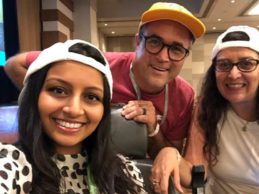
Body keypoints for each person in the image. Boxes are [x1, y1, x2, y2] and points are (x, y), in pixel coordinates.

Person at [4, 2, 206, 159]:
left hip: (144, 176)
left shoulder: (184, 95)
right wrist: (54, 103)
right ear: (138, 41)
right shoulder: (96, 67)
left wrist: (153, 129)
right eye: (154, 42)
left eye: (177, 49)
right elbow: (14, 64)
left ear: (185, 54)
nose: (163, 57)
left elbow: (171, 155)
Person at [151, 25, 259, 194]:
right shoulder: (207, 109)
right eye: (224, 65)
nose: (233, 74)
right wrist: (171, 153)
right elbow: (194, 172)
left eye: (246, 64)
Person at [0, 39, 158, 194]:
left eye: (91, 96)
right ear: (33, 96)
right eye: (58, 90)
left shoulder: (127, 172)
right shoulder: (13, 167)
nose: (74, 110)